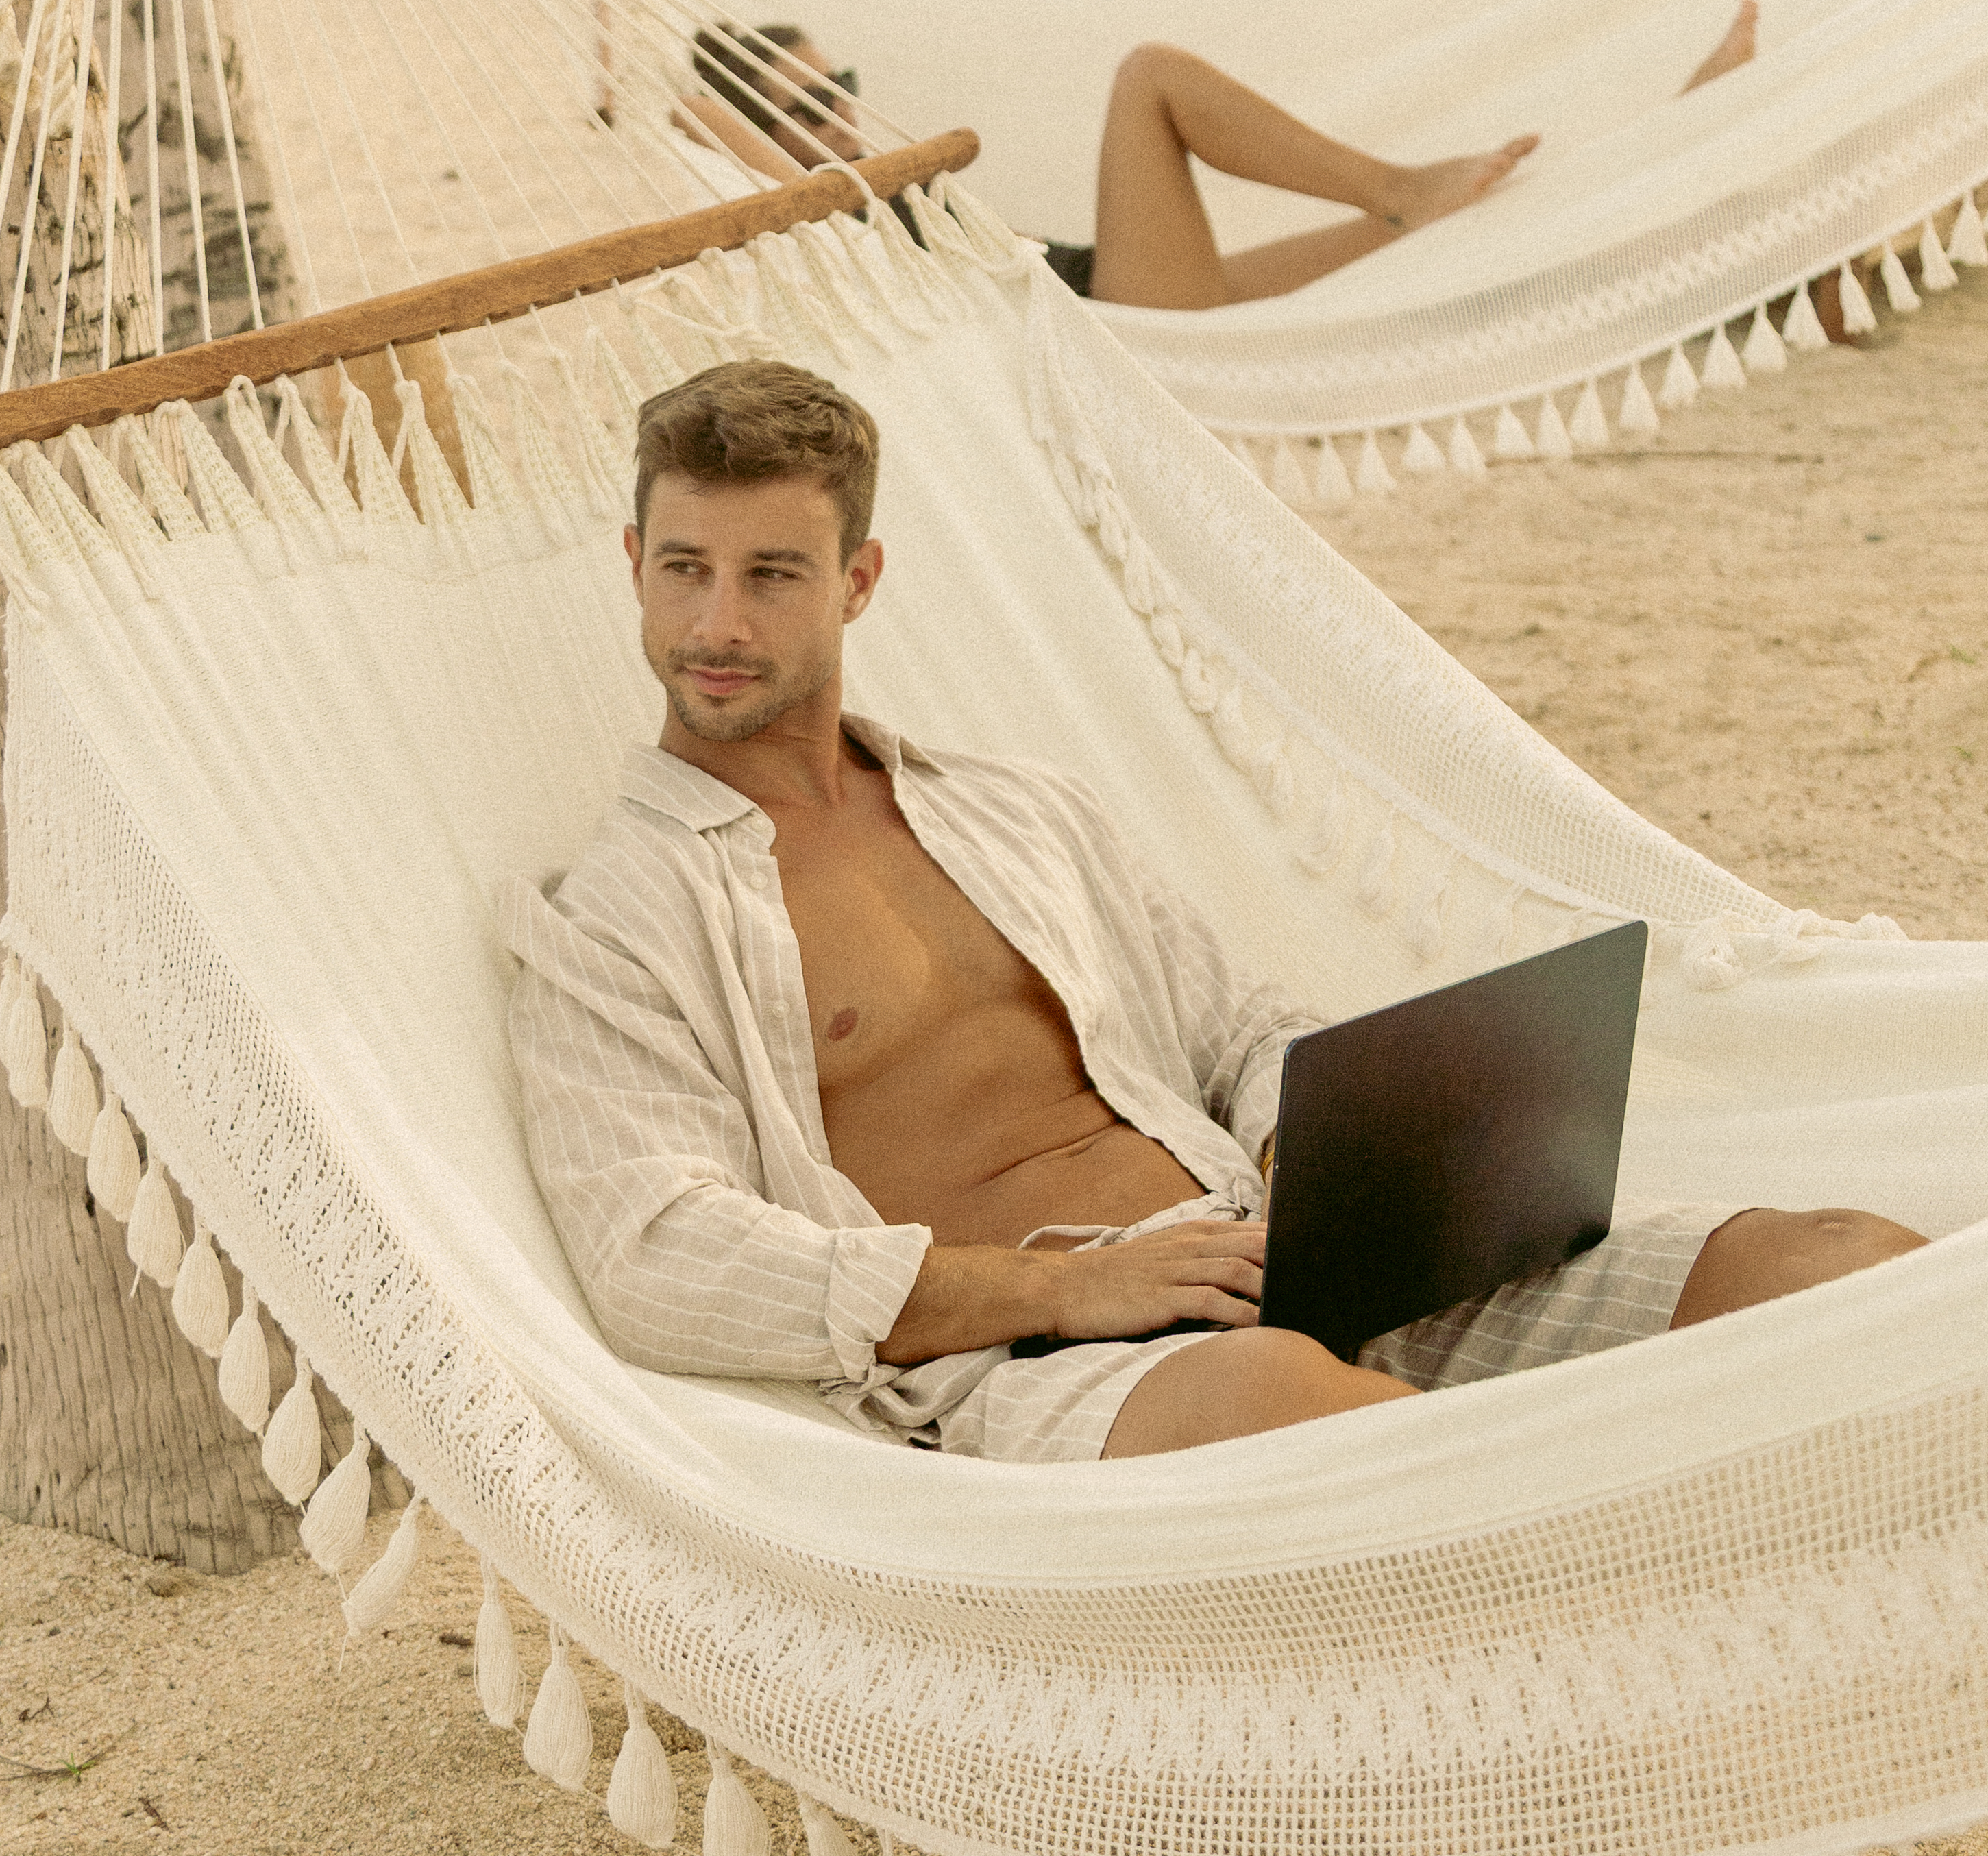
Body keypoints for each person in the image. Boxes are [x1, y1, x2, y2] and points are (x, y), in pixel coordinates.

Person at [501, 356, 1921, 1463]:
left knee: (1835, 1267)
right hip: (1056, 1363)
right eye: (684, 568)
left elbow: (1237, 1026)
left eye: (771, 573)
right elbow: (656, 1257)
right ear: (633, 563)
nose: (719, 626)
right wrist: (1062, 1292)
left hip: (1267, 1252)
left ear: (859, 581)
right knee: (1323, 1415)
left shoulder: (1017, 807)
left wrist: (1323, 1154)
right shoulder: (613, 921)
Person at [680, 0, 1759, 312]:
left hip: (1109, 287)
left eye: (841, 90)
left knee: (1437, 229)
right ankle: (1391, 181)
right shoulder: (799, 203)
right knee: (1151, 75)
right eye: (804, 106)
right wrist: (618, 0)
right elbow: (684, 108)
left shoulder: (869, 180)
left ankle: (1668, 134)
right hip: (1105, 327)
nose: (834, 117)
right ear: (758, 139)